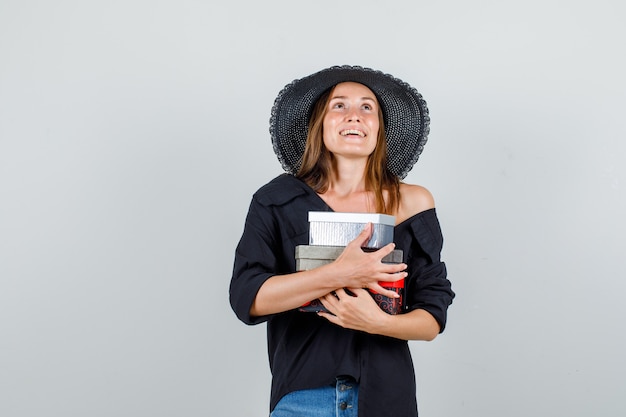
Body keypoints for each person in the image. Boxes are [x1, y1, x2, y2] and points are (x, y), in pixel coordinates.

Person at [230, 65, 455, 417]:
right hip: (302, 400)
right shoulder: (276, 200)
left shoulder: (413, 202)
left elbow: (432, 317)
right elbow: (247, 299)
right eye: (339, 106)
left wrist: (378, 323)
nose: (355, 115)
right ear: (319, 125)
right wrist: (340, 274)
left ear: (380, 130)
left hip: (385, 399)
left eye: (368, 107)